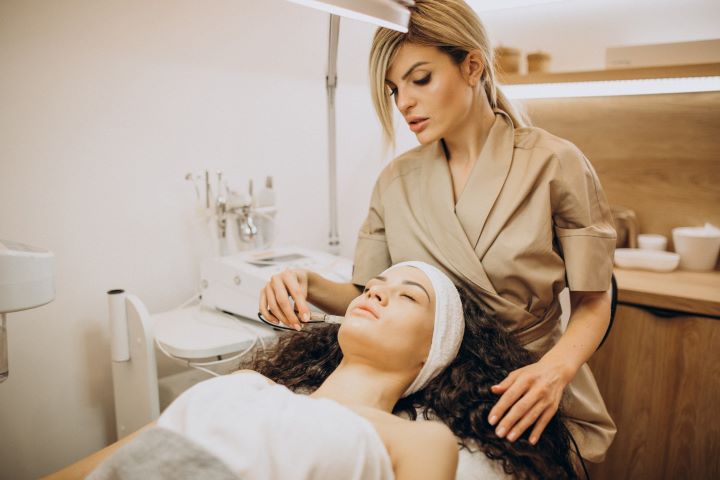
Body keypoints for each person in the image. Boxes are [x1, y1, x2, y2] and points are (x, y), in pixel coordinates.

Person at [259, 0, 616, 464]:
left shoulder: (554, 163)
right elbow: (366, 296)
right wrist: (306, 283)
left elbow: (594, 299)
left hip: (523, 387)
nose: (404, 102)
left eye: (420, 79)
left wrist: (553, 372)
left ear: (472, 66)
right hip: (434, 389)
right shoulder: (395, 180)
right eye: (393, 90)